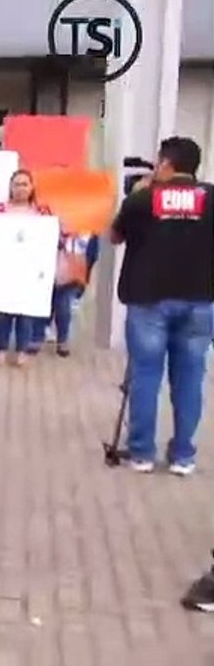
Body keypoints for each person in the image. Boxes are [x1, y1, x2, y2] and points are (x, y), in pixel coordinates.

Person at [111, 137, 214, 476]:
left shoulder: (144, 198)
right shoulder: (211, 198)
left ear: (166, 164)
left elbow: (115, 235)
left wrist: (139, 193)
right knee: (190, 378)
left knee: (146, 375)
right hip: (200, 298)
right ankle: (183, 455)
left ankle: (142, 453)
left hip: (148, 299)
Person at [0, 170, 51, 367]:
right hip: (4, 268)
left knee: (26, 312)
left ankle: (22, 350)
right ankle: (1, 349)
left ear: (32, 187)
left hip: (29, 270)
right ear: (10, 187)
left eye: (25, 184)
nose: (21, 188)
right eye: (17, 184)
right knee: (3, 312)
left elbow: (50, 239)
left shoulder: (42, 212)